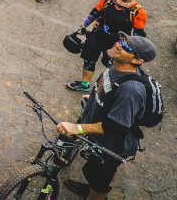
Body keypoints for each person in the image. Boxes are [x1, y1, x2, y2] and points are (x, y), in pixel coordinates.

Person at [58, 34, 156, 200]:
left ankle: (95, 194)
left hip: (111, 147)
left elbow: (117, 127)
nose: (118, 45)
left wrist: (78, 128)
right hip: (98, 135)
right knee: (95, 174)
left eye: (126, 47)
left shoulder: (131, 90)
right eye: (121, 40)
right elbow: (108, 87)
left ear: (137, 60)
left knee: (99, 179)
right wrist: (97, 96)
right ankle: (93, 187)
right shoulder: (115, 63)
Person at [67, 0, 147, 93]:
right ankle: (84, 84)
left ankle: (108, 90)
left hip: (116, 43)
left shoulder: (138, 12)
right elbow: (94, 13)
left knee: (112, 66)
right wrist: (83, 26)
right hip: (96, 35)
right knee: (89, 60)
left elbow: (138, 34)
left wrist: (131, 50)